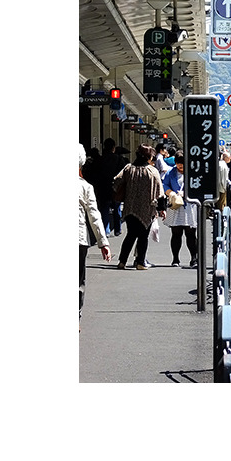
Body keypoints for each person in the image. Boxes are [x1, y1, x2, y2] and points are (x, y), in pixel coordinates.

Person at [113, 144, 166, 270]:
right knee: (143, 236)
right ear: (148, 156)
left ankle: (122, 261)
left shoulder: (128, 168)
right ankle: (140, 262)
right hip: (146, 208)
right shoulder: (152, 171)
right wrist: (162, 209)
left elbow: (116, 182)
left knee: (130, 235)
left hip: (130, 207)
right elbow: (160, 191)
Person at [79, 144, 111, 329]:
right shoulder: (85, 187)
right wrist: (103, 242)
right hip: (79, 238)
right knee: (78, 280)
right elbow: (94, 215)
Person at [163, 157, 199, 268]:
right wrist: (171, 193)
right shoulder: (171, 172)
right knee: (176, 233)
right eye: (178, 164)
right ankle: (175, 259)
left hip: (190, 206)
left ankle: (194, 258)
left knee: (191, 234)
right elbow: (165, 184)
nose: (180, 166)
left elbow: (198, 186)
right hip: (176, 206)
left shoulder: (193, 171)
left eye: (182, 163)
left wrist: (187, 193)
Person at [96, 138, 128, 236]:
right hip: (116, 188)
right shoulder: (119, 159)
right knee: (117, 208)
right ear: (113, 148)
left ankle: (106, 230)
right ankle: (117, 229)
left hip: (103, 187)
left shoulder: (100, 159)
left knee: (104, 209)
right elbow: (124, 173)